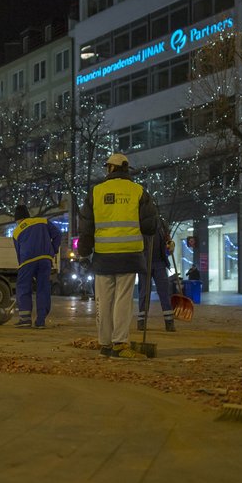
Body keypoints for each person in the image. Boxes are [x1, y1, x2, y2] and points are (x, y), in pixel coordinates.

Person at [78, 153, 158, 360]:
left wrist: (84, 252)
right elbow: (150, 226)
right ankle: (120, 343)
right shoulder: (138, 191)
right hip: (130, 255)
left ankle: (104, 343)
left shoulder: (96, 192)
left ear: (111, 169)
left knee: (103, 301)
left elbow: (86, 226)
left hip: (103, 257)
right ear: (125, 169)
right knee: (123, 300)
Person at [11, 205, 61, 328]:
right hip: (45, 259)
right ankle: (40, 321)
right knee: (43, 288)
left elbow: (18, 252)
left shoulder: (17, 231)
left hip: (27, 261)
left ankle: (25, 319)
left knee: (23, 287)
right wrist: (52, 250)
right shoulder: (43, 221)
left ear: (18, 219)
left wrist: (22, 266)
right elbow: (58, 234)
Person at [138, 220, 177, 332]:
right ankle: (141, 322)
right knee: (144, 293)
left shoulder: (161, 224)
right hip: (144, 263)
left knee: (164, 292)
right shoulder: (140, 223)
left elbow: (167, 240)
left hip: (160, 263)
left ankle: (169, 322)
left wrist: (170, 244)